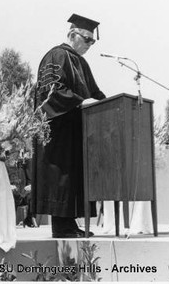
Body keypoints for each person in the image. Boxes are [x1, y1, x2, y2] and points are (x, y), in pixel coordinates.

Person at [32, 13, 106, 239]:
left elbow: (94, 93)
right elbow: (51, 90)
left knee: (72, 177)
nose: (90, 45)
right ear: (72, 34)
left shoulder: (80, 62)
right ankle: (62, 227)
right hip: (58, 129)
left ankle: (70, 225)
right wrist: (81, 102)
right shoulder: (57, 55)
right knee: (61, 177)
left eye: (93, 41)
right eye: (87, 39)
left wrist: (108, 105)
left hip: (76, 129)